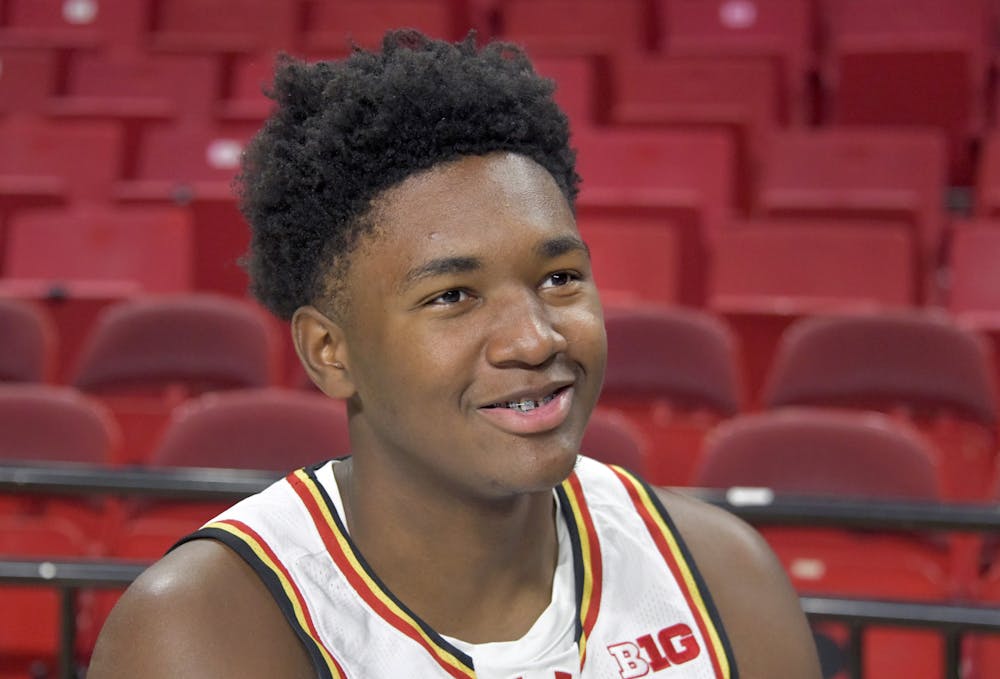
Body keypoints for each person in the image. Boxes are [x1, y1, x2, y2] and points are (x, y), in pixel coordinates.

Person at [89, 30, 821, 679]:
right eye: (453, 296)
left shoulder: (722, 581)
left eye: (560, 278)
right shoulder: (203, 631)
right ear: (328, 350)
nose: (535, 338)